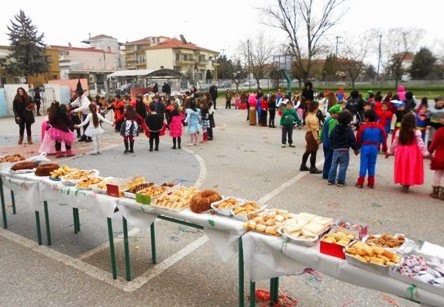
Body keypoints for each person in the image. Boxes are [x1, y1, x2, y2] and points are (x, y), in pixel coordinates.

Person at [385, 113, 430, 193]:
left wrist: (389, 152)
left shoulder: (399, 131)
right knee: (410, 167)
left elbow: (395, 143)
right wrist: (426, 153)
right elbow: (421, 144)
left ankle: (403, 181)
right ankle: (407, 183)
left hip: (402, 151)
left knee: (403, 166)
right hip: (413, 152)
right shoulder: (416, 132)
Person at [355, 110, 388, 188]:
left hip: (365, 147)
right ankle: (371, 182)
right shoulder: (380, 127)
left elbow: (358, 138)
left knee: (363, 164)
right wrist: (384, 148)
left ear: (367, 118)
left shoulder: (363, 127)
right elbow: (384, 137)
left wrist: (357, 148)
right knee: (372, 164)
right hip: (374, 147)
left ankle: (360, 182)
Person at [327, 110, 359, 187]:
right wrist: (355, 149)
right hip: (344, 149)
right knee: (343, 165)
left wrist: (332, 145)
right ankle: (340, 181)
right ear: (349, 120)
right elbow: (352, 140)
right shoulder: (348, 130)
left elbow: (331, 137)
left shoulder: (335, 128)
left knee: (334, 164)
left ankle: (331, 180)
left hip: (336, 149)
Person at [320, 104, 342, 180]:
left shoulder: (327, 119)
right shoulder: (333, 121)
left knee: (327, 158)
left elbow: (322, 131)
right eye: (338, 113)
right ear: (333, 113)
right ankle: (327, 174)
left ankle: (325, 173)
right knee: (330, 159)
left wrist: (321, 138)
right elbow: (331, 133)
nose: (339, 115)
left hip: (325, 143)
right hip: (330, 143)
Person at [300, 100, 323, 174]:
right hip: (312, 135)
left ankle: (303, 165)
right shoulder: (313, 118)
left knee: (308, 150)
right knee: (313, 151)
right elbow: (314, 130)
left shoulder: (308, 115)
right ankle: (313, 167)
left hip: (308, 134)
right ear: (315, 109)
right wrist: (317, 139)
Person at [428, 127, 444, 199]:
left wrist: (430, 151)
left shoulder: (440, 131)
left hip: (440, 155)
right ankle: (443, 193)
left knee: (438, 173)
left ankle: (435, 191)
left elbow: (434, 142)